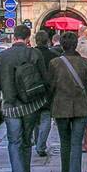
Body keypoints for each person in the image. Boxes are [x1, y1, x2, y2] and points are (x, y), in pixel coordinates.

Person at [0, 23, 49, 172]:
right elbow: (44, 79)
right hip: (31, 105)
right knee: (26, 141)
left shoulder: (2, 56)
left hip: (11, 106)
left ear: (13, 36)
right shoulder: (34, 53)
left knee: (14, 142)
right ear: (27, 38)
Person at [49, 32, 87, 172]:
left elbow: (50, 87)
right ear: (76, 45)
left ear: (62, 45)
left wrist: (51, 105)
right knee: (76, 143)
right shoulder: (85, 63)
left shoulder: (54, 63)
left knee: (65, 141)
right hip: (81, 107)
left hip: (61, 107)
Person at [32, 28, 60, 157]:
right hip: (47, 92)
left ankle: (38, 142)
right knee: (45, 120)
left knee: (36, 120)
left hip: (32, 92)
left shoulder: (29, 55)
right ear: (48, 41)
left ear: (35, 41)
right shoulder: (53, 56)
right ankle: (40, 145)